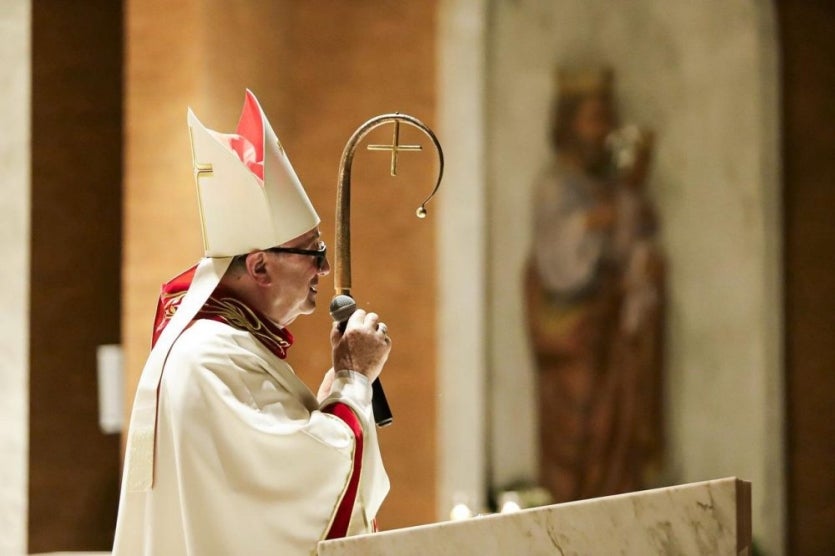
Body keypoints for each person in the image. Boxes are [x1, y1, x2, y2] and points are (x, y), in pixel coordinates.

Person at [113, 90, 391, 555]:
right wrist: (354, 380)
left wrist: (334, 396)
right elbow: (310, 484)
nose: (323, 269)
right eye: (313, 253)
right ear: (259, 267)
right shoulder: (208, 356)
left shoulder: (223, 347)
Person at [525, 69, 664, 503]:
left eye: (607, 120)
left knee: (615, 428)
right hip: (570, 329)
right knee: (581, 426)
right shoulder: (554, 184)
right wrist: (590, 222)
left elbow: (633, 243)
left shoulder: (610, 185)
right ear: (568, 123)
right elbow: (555, 263)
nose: (601, 131)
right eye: (592, 119)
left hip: (610, 331)